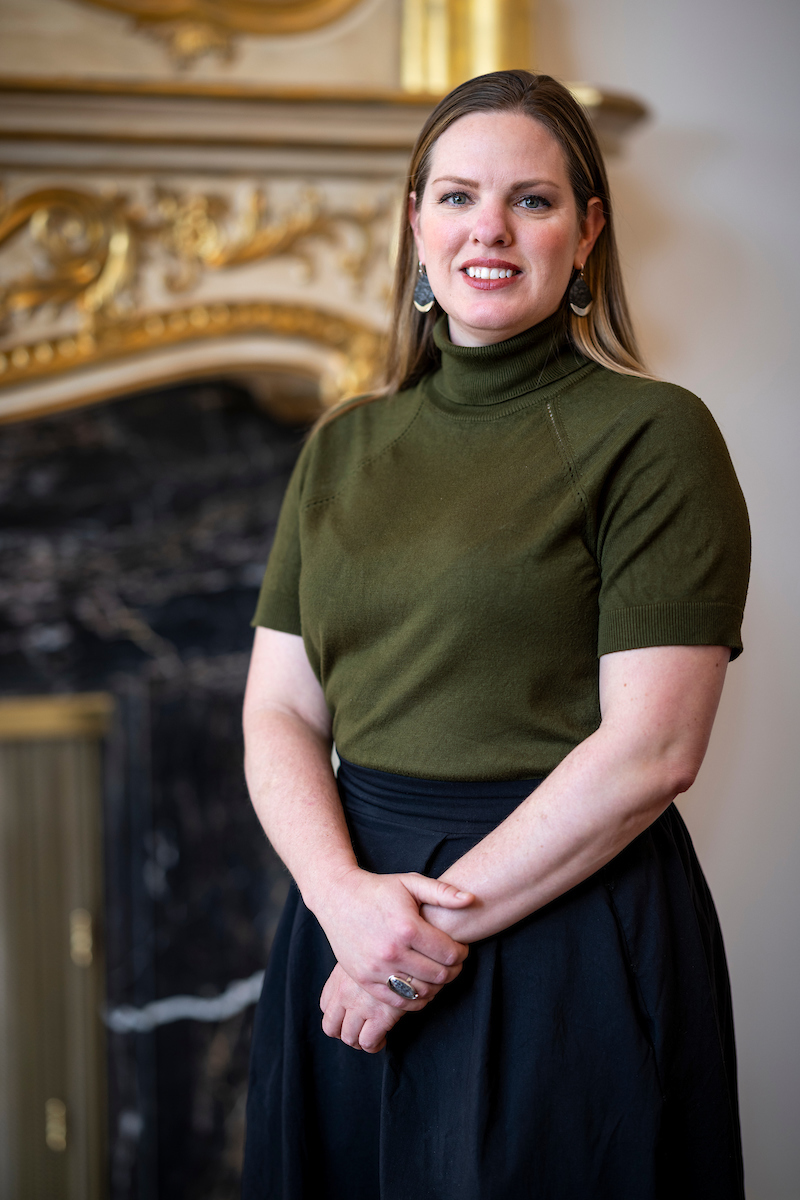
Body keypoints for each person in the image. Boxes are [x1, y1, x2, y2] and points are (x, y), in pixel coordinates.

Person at [241, 70, 750, 1200]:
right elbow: (278, 707)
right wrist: (341, 904)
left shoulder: (655, 436)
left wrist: (406, 952)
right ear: (414, 220)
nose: (488, 228)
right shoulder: (342, 444)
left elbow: (651, 753)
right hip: (345, 907)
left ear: (586, 233)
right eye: (457, 196)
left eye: (531, 200)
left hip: (558, 924)